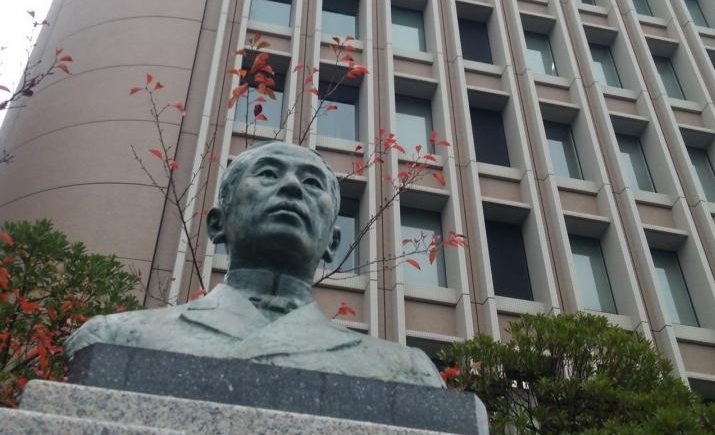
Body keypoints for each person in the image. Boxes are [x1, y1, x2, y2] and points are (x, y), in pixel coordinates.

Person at [65, 141, 444, 387]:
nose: (292, 187)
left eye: (312, 183)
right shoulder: (113, 338)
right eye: (268, 174)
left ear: (332, 242)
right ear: (218, 224)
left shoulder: (409, 372)